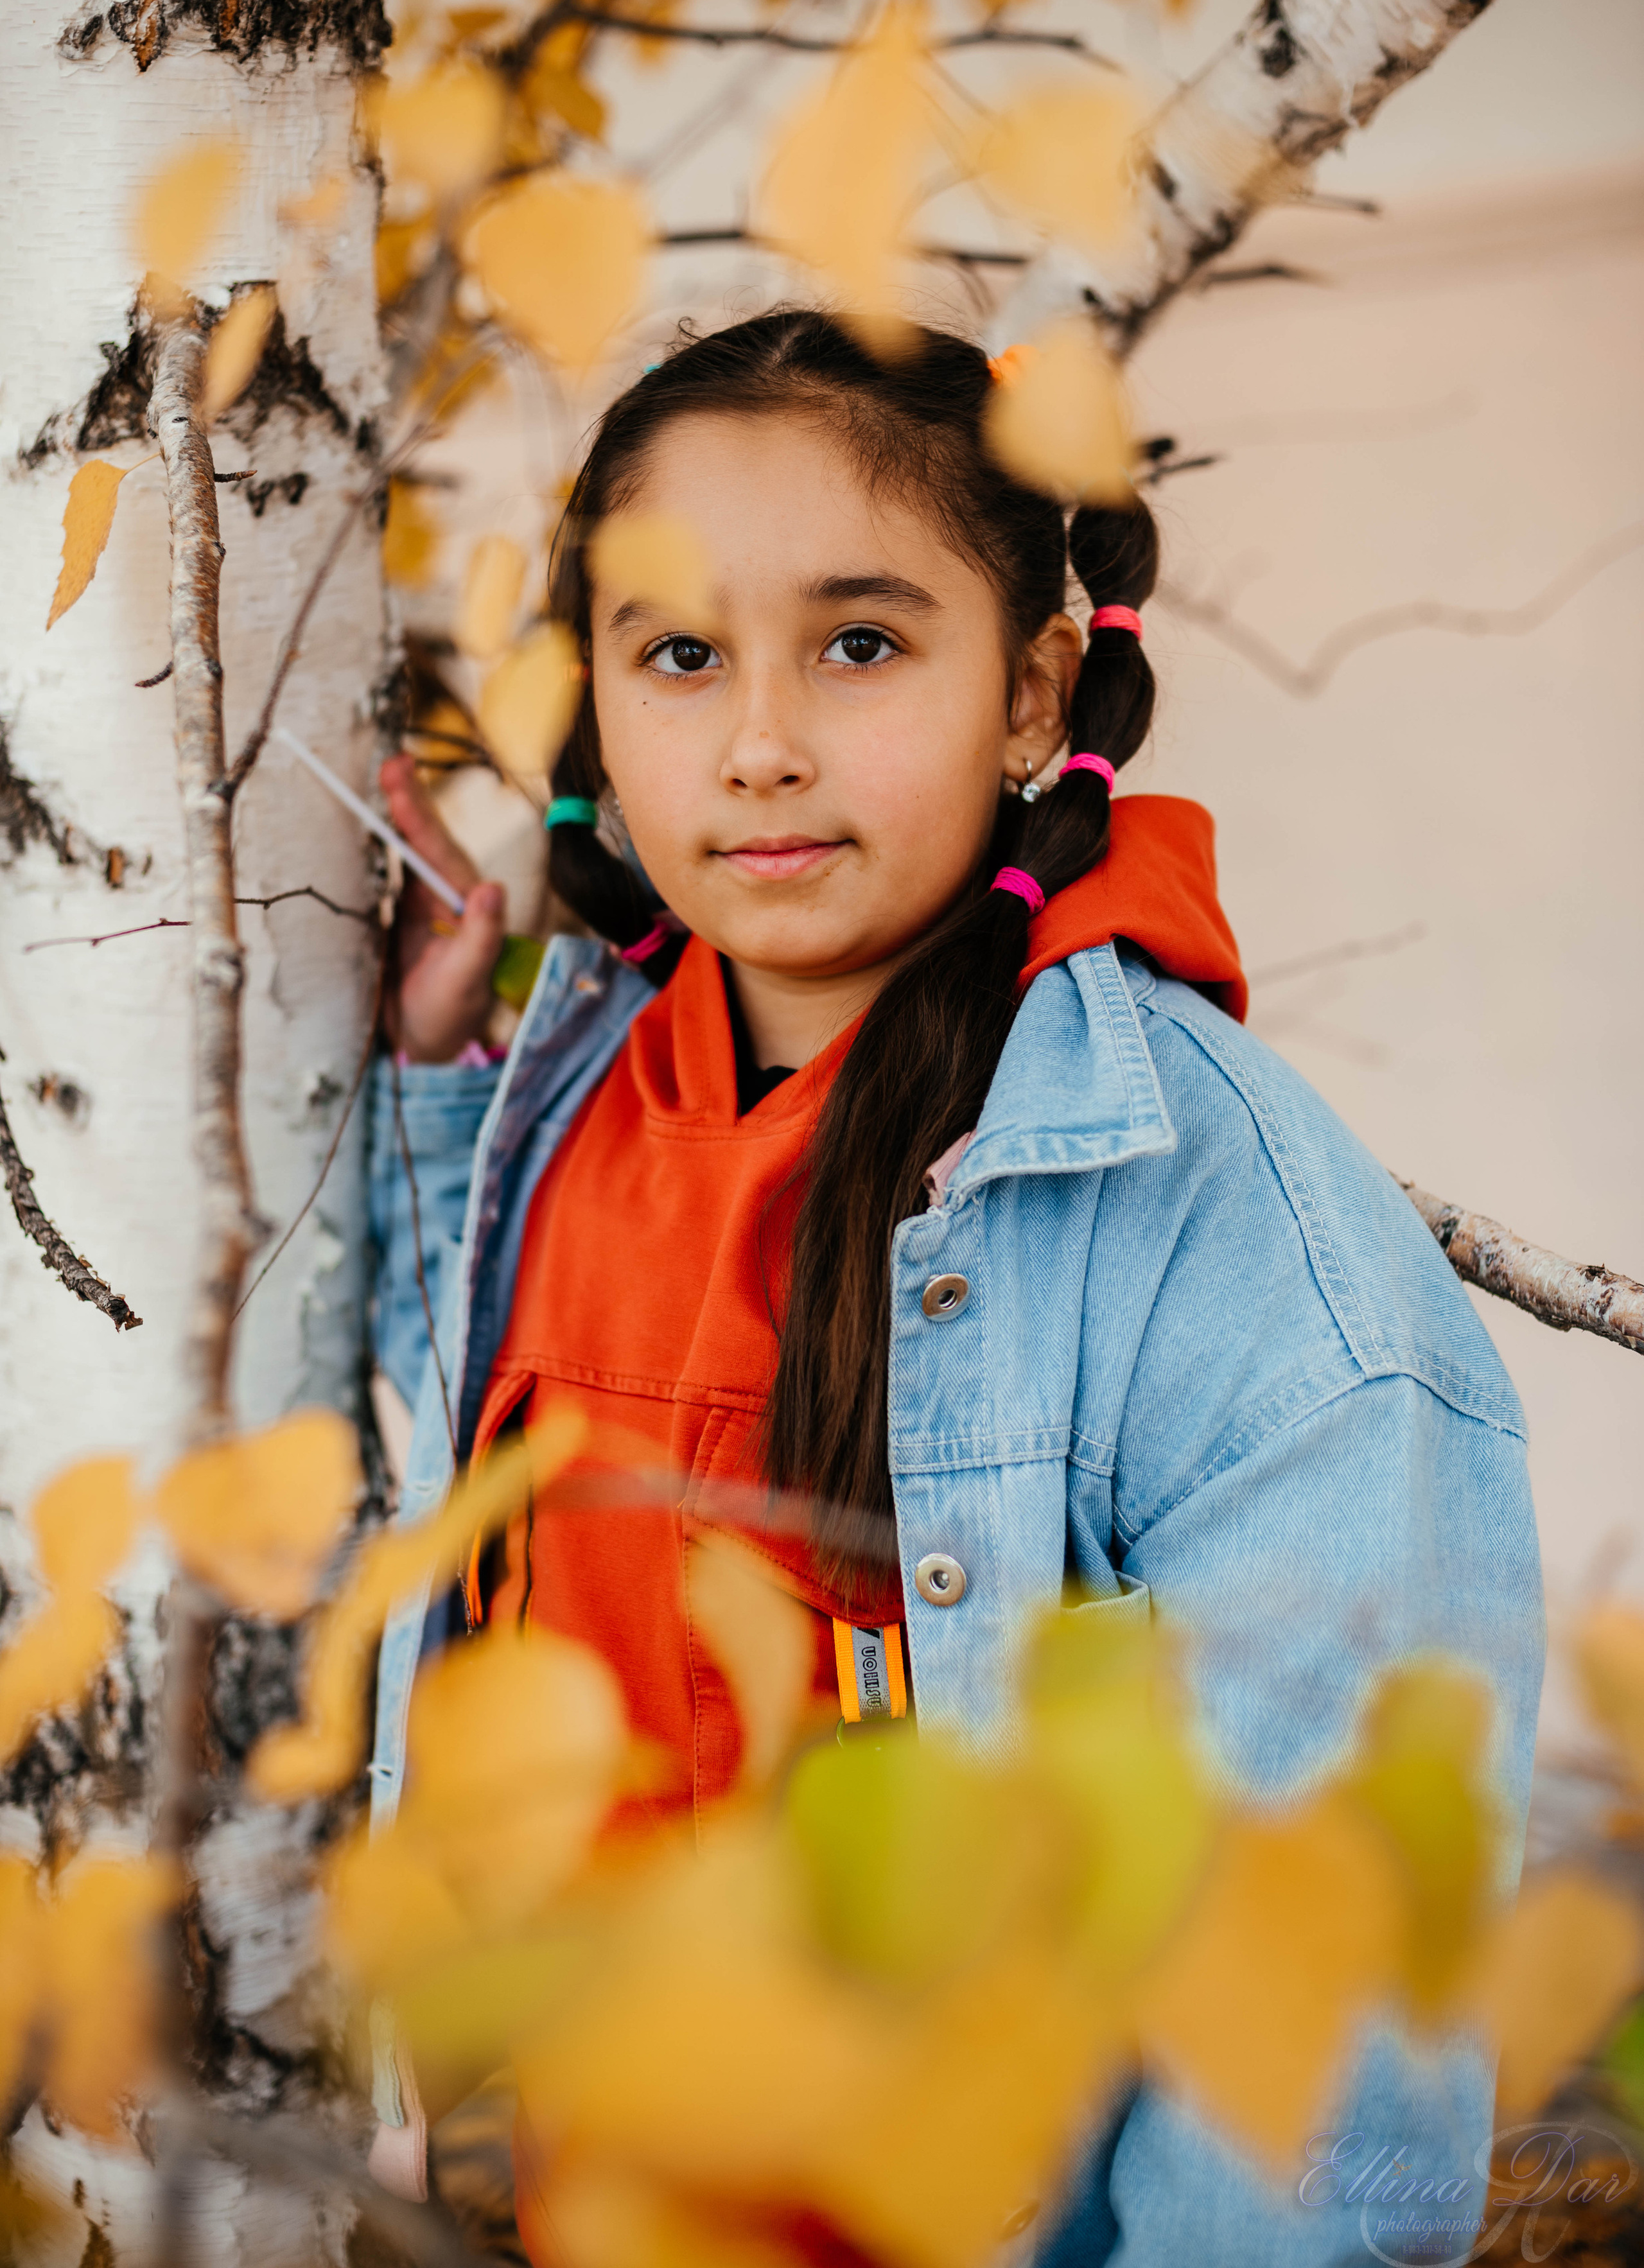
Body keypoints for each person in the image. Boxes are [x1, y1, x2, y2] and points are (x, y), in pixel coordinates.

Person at [367, 311, 1543, 2264]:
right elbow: (411, 1511)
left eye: (859, 643)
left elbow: (1314, 2071)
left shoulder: (1226, 1237)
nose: (759, 742)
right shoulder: (569, 1110)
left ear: (1033, 693)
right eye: (680, 655)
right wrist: (419, 1096)